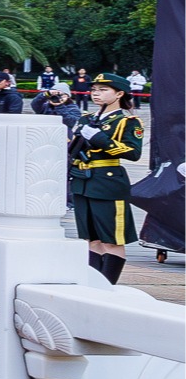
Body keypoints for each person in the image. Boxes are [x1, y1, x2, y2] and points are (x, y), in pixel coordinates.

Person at [69, 73, 145, 284]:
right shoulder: (86, 118)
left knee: (111, 240)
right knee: (91, 239)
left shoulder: (128, 121)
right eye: (94, 90)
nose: (96, 94)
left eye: (103, 90)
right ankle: (93, 284)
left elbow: (133, 152)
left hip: (107, 183)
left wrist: (100, 139)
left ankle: (107, 286)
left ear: (119, 94)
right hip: (82, 180)